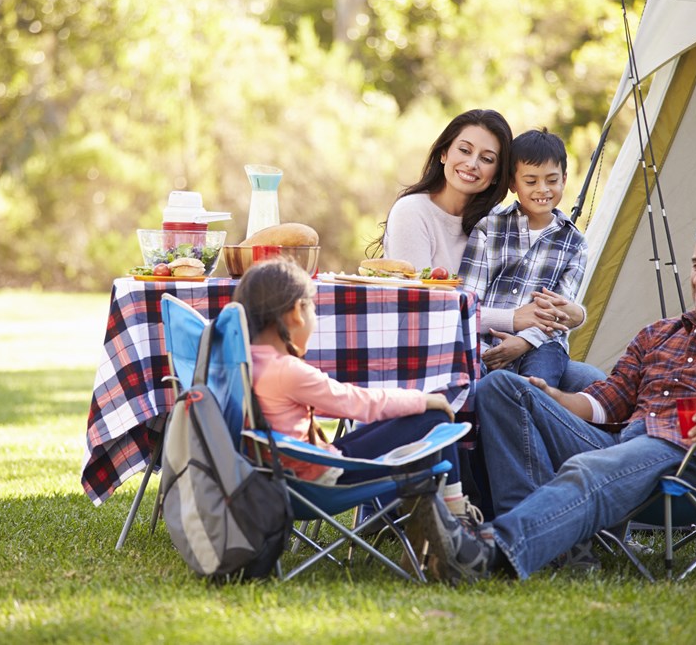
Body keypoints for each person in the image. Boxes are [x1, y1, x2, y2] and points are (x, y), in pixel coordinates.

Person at [467, 218, 696, 579]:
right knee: (501, 387)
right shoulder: (658, 333)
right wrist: (553, 397)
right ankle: (554, 548)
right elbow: (609, 400)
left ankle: (489, 550)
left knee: (593, 466)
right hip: (624, 444)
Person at [232, 258, 494, 583]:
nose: (314, 319)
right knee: (435, 415)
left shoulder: (243, 362)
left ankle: (439, 528)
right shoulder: (286, 371)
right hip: (316, 482)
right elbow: (355, 403)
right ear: (296, 312)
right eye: (314, 310)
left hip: (286, 473)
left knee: (419, 417)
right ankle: (457, 528)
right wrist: (422, 398)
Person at [459, 128, 587, 387]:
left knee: (535, 391)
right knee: (479, 385)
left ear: (564, 178)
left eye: (552, 180)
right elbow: (466, 303)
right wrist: (487, 348)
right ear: (513, 183)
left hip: (542, 344)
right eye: (531, 182)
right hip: (484, 342)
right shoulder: (490, 228)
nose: (543, 189)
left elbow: (560, 312)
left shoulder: (575, 244)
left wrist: (524, 341)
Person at [369, 109, 513, 274]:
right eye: (465, 150)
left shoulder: (501, 223)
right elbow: (420, 294)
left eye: (487, 159)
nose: (472, 164)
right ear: (444, 154)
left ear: (497, 174)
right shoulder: (412, 211)